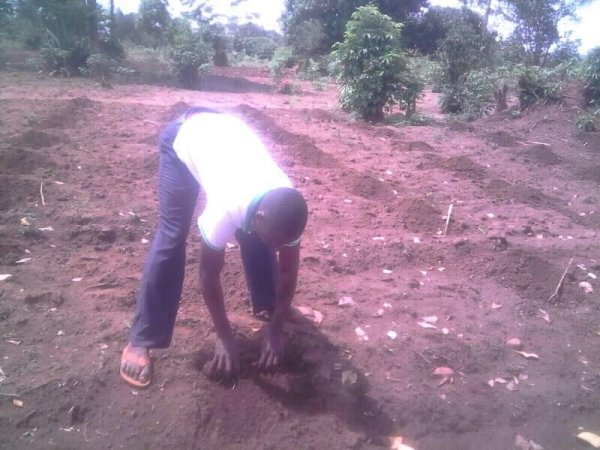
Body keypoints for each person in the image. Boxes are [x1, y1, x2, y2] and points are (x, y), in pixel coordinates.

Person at [120, 107, 308, 388]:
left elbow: (289, 271)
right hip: (185, 138)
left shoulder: (287, 205)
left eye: (283, 243)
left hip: (226, 135)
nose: (278, 247)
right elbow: (208, 275)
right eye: (276, 242)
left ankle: (269, 307)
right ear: (259, 215)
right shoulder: (225, 208)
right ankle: (142, 339)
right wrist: (224, 335)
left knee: (261, 237)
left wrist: (276, 329)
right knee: (172, 236)